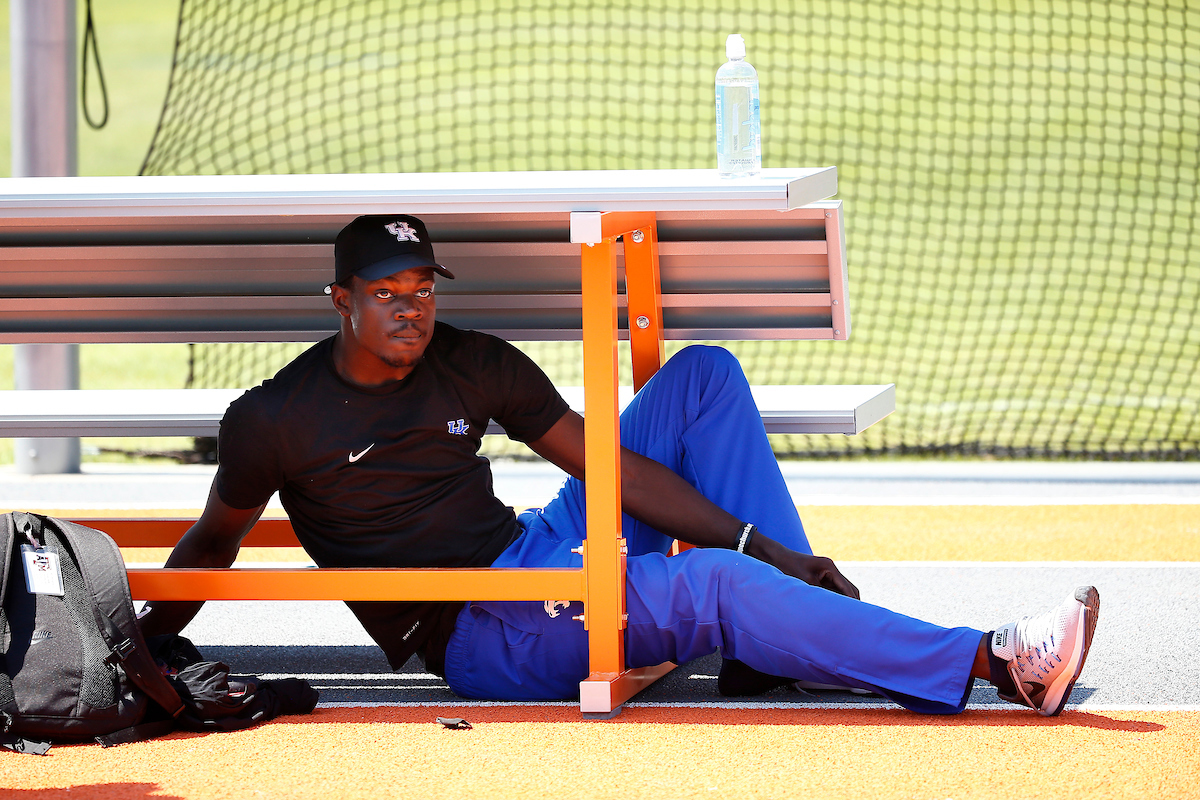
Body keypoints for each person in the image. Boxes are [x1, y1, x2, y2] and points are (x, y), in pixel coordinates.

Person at [139, 214, 1100, 717]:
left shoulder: (472, 361)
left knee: (700, 379)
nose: (410, 309)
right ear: (339, 300)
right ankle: (992, 661)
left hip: (534, 547)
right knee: (714, 585)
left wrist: (772, 546)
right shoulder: (272, 418)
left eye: (422, 289)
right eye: (386, 293)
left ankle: (785, 643)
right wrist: (134, 645)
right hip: (484, 628)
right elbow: (210, 544)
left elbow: (611, 470)